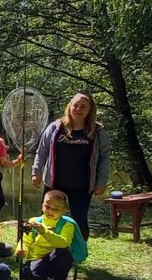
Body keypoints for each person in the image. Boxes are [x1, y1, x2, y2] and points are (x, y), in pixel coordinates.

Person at [32, 92, 110, 240]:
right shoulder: (55, 128)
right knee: (48, 217)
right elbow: (41, 151)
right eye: (75, 105)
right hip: (55, 183)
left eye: (83, 106)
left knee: (79, 221)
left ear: (90, 110)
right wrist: (36, 172)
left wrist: (101, 182)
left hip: (82, 185)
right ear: (69, 106)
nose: (78, 109)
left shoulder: (97, 132)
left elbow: (104, 158)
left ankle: (78, 250)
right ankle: (44, 248)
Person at [18, 190, 76, 280]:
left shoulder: (68, 225)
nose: (51, 211)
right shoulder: (33, 221)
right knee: (28, 276)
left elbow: (63, 243)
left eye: (56, 209)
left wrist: (44, 232)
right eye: (47, 207)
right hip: (36, 259)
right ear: (42, 206)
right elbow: (26, 240)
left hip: (56, 258)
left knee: (63, 252)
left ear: (64, 210)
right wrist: (21, 249)